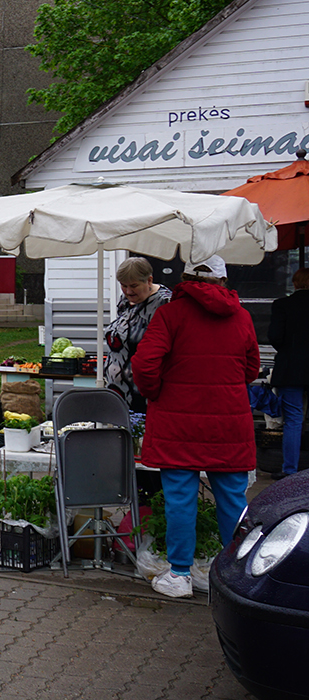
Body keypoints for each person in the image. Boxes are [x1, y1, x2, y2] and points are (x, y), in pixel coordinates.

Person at [132, 255, 257, 598]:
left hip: (178, 422)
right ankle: (237, 578)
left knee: (180, 500)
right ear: (223, 281)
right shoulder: (242, 316)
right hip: (228, 421)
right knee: (233, 500)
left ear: (185, 278)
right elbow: (251, 368)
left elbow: (144, 364)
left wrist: (156, 392)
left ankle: (180, 575)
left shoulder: (170, 314)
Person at [103, 257, 172, 413]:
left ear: (149, 280)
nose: (128, 291)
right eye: (123, 285)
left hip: (143, 394)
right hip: (118, 391)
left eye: (134, 286)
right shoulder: (126, 300)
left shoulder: (164, 303)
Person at [266, 267, 309, 480]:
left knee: (293, 420)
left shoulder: (282, 305)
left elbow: (274, 336)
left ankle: (290, 470)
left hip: (290, 368)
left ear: (295, 283)